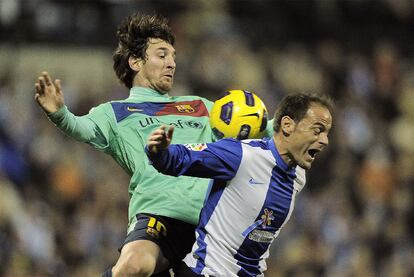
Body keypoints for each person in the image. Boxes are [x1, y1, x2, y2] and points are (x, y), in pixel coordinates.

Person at [34, 13, 222, 277]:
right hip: (159, 215)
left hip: (211, 225)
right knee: (134, 265)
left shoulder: (199, 106)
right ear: (135, 61)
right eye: (162, 55)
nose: (172, 64)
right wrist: (60, 114)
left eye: (173, 57)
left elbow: (248, 125)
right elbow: (81, 128)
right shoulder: (115, 112)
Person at [146, 92, 333, 276]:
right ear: (287, 125)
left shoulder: (298, 175)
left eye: (326, 133)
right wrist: (158, 151)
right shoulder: (243, 155)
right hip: (209, 271)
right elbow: (180, 158)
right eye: (317, 130)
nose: (325, 140)